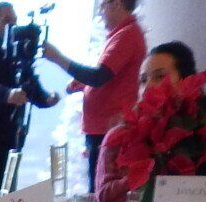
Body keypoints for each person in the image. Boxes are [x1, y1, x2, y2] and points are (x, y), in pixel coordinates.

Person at [38, 0, 146, 191]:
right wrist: (84, 85)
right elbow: (108, 77)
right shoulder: (121, 34)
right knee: (96, 186)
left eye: (103, 5)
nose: (100, 12)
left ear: (117, 4)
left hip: (109, 127)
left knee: (99, 190)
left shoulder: (127, 35)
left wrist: (58, 58)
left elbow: (98, 76)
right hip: (103, 127)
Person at [92, 41, 196, 202]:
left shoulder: (201, 134)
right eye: (142, 80)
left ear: (186, 81)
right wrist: (144, 174)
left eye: (159, 77)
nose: (147, 86)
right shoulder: (119, 135)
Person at [0, 4, 60, 187]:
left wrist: (46, 99)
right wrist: (7, 94)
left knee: (8, 191)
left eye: (15, 22)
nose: (13, 27)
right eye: (7, 21)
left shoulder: (19, 54)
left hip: (12, 135)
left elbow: (30, 85)